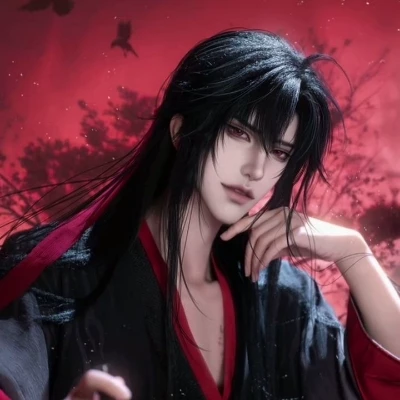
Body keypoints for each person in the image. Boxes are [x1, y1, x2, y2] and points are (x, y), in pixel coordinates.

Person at [0, 29, 399, 400]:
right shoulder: (58, 275)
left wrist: (355, 254)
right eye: (239, 133)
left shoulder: (283, 297)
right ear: (181, 130)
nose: (256, 169)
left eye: (279, 152)